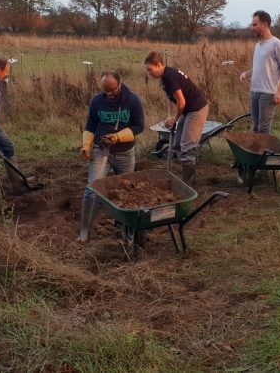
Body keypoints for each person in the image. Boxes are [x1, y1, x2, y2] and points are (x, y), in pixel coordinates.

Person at [79, 71, 145, 242]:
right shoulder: (97, 101)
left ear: (120, 85)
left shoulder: (132, 100)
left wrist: (118, 136)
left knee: (126, 190)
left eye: (112, 91)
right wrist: (87, 145)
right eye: (105, 91)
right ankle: (85, 229)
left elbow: (139, 126)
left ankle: (126, 226)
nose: (109, 95)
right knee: (92, 190)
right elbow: (91, 124)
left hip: (125, 153)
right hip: (101, 150)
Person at [144, 51, 209, 187]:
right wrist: (170, 115)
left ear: (159, 65)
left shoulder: (170, 76)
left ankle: (188, 184)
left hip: (196, 110)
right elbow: (171, 98)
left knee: (186, 147)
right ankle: (184, 174)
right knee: (178, 144)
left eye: (150, 70)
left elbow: (181, 101)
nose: (149, 73)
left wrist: (175, 118)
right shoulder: (164, 77)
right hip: (188, 110)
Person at [239, 10, 280, 134]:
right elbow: (260, 68)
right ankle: (257, 153)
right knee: (256, 127)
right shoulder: (258, 45)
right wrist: (246, 74)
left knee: (263, 128)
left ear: (264, 24)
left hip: (268, 93)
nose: (252, 28)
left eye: (255, 25)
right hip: (254, 92)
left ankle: (265, 153)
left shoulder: (276, 44)